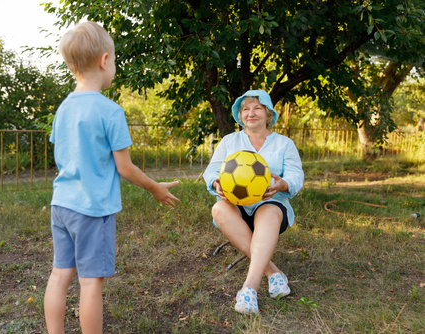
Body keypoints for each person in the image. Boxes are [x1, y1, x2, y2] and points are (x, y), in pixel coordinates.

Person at [44, 21, 179, 334]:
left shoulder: (63, 109)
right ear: (105, 61)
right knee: (91, 282)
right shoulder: (110, 111)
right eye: (114, 61)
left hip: (61, 205)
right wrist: (155, 188)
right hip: (92, 210)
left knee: (59, 275)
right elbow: (125, 167)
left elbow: (63, 154)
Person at [203, 90, 304, 315]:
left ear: (268, 114)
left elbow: (297, 176)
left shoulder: (284, 144)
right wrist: (216, 183)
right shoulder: (230, 141)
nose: (251, 113)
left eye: (257, 108)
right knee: (218, 208)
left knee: (267, 212)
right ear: (240, 115)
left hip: (271, 206)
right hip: (236, 206)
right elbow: (211, 171)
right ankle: (272, 272)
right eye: (246, 109)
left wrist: (283, 184)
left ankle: (249, 288)